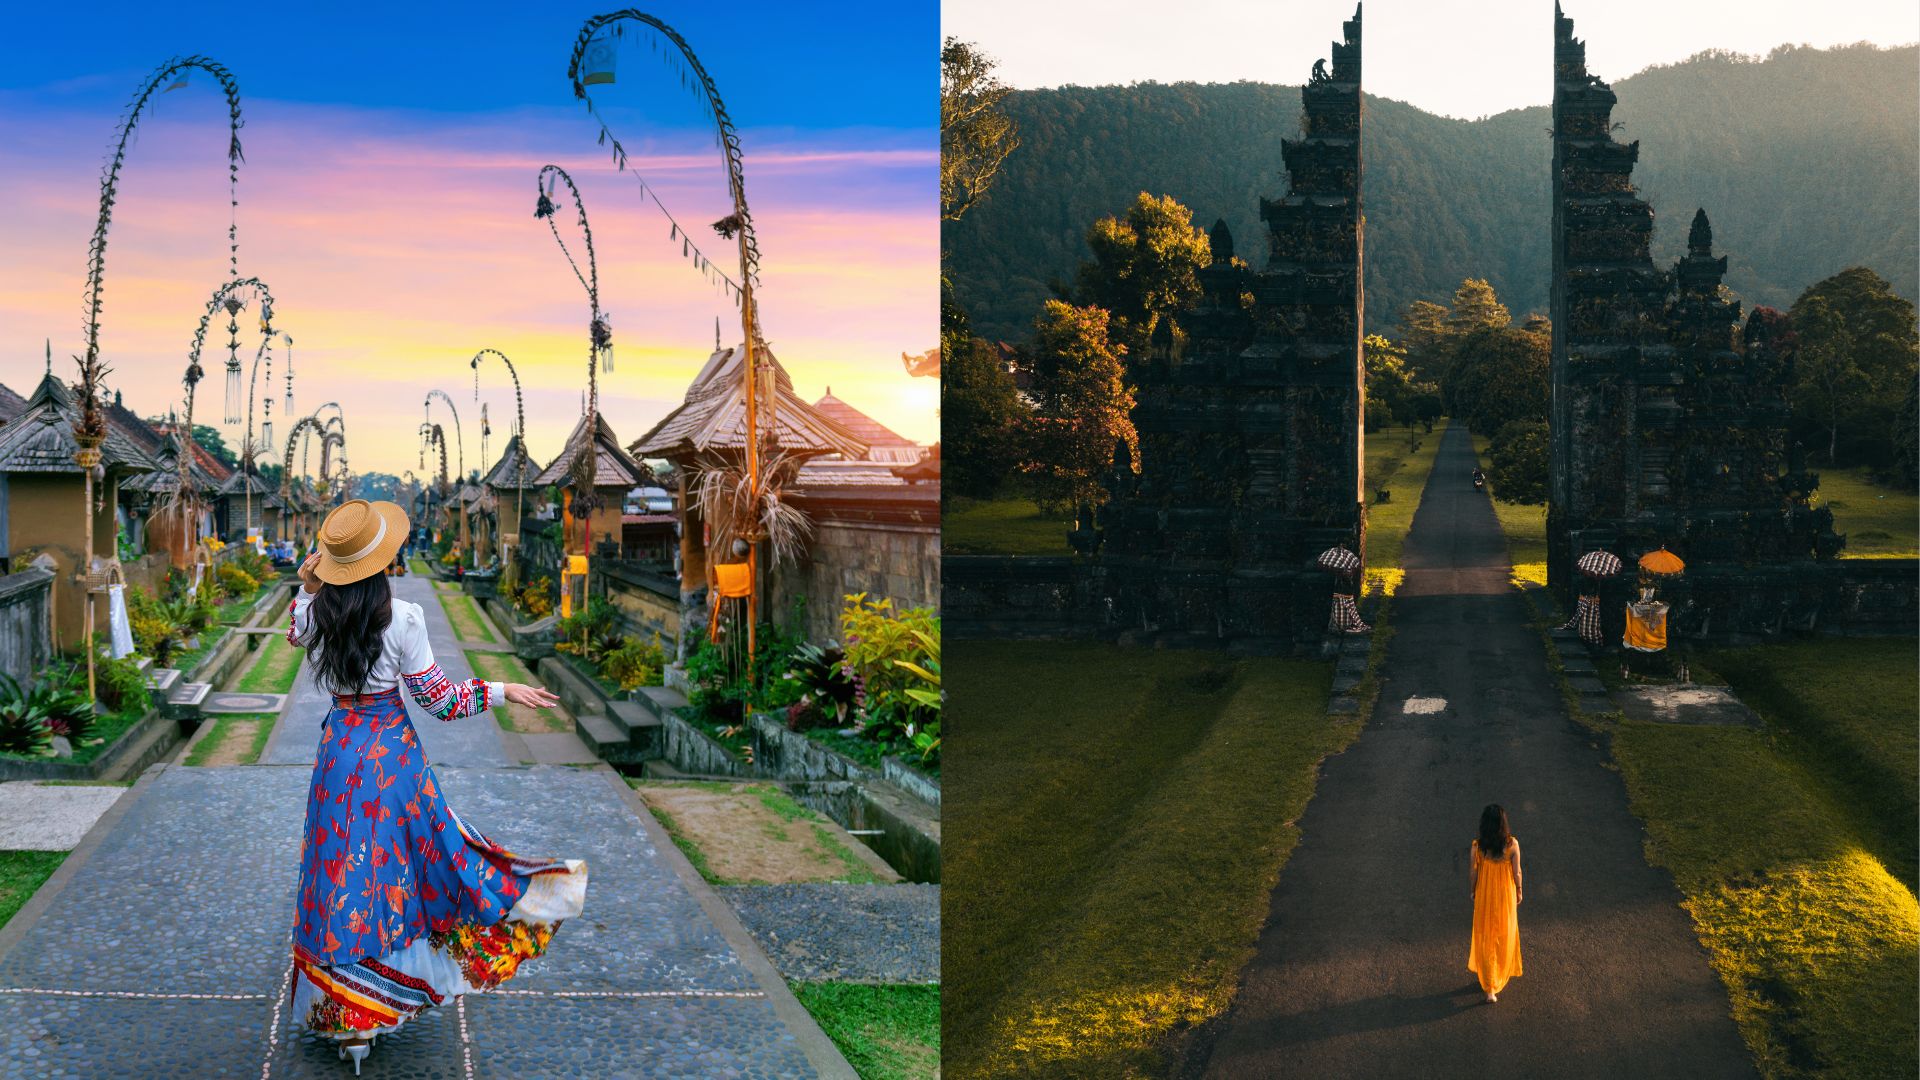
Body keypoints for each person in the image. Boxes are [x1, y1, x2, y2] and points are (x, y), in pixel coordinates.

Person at [286, 499, 586, 1074]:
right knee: (404, 872)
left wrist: (308, 582)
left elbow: (295, 631)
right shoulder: (403, 618)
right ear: (381, 559)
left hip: (340, 760)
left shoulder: (311, 614)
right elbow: (440, 702)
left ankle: (350, 1024)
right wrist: (502, 690)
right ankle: (387, 995)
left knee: (342, 877)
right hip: (394, 766)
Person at [1468, 803, 1523, 1003]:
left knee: (1486, 934)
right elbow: (1517, 872)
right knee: (1503, 932)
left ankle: (1489, 984)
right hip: (1504, 896)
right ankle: (1495, 974)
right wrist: (1519, 890)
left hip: (1485, 895)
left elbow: (1473, 872)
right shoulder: (1512, 845)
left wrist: (1473, 890)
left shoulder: (1478, 846)